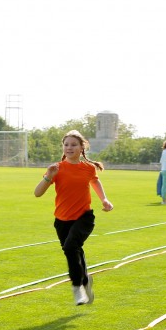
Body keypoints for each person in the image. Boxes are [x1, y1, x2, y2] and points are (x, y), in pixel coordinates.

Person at [34, 130, 113, 305]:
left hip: (84, 217)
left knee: (70, 247)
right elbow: (37, 193)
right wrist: (48, 176)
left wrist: (104, 199)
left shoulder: (88, 168)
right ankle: (85, 280)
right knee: (74, 250)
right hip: (61, 221)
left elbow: (95, 181)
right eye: (66, 144)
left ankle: (77, 287)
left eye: (73, 144)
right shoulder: (57, 168)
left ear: (81, 147)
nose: (69, 148)